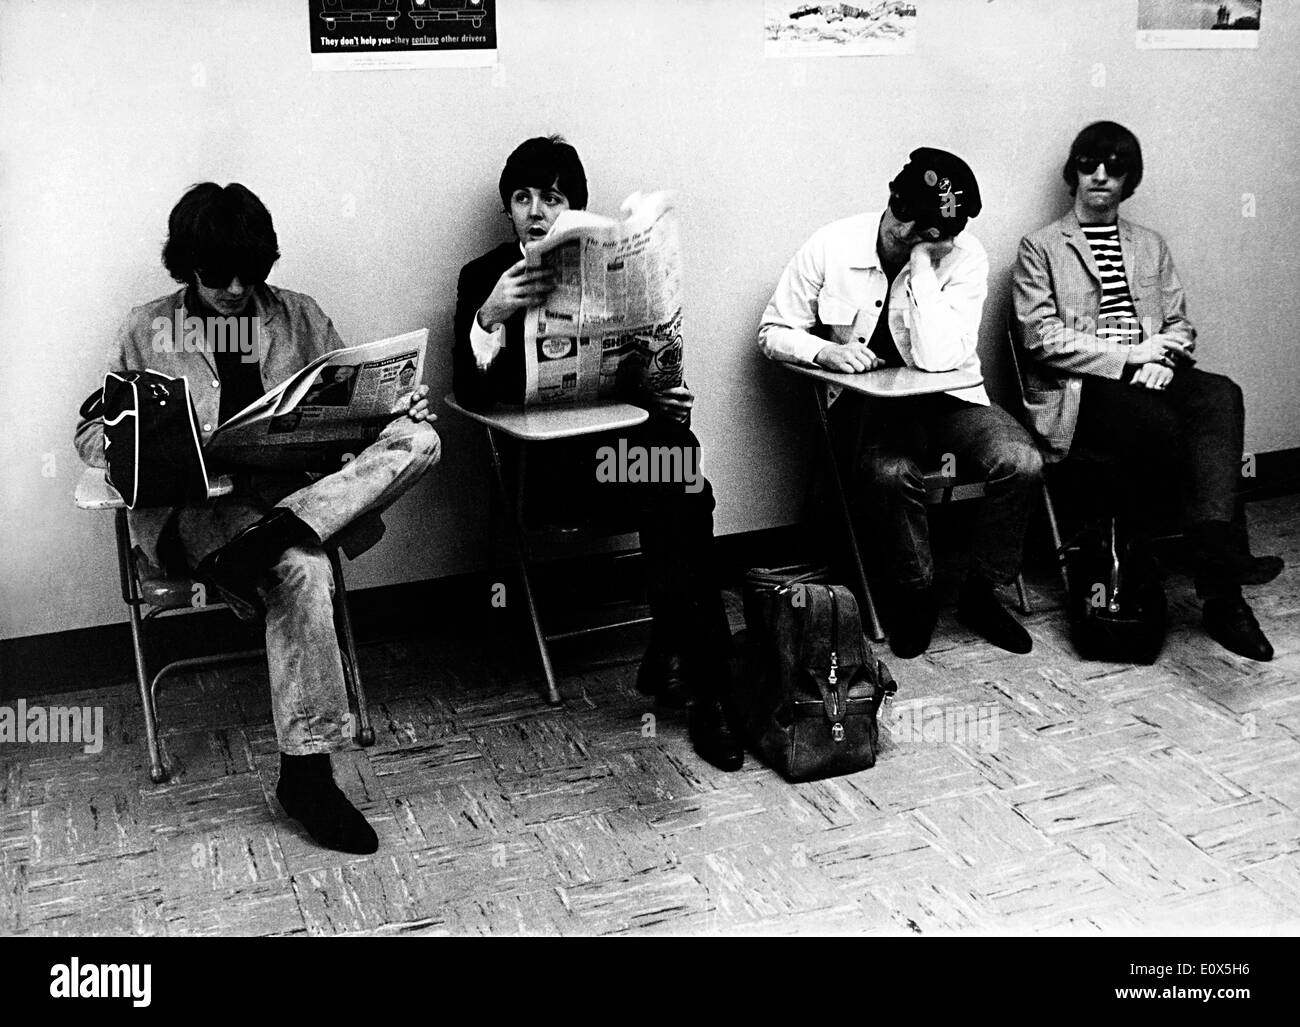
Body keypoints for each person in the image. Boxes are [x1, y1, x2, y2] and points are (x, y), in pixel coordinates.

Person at [75, 182, 441, 852]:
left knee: (422, 441)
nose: (237, 288)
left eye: (252, 273)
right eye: (218, 275)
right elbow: (93, 436)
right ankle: (309, 775)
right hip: (202, 513)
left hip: (290, 497)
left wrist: (396, 410)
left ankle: (286, 531)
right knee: (303, 570)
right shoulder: (143, 327)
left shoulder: (300, 317)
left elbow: (359, 410)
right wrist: (149, 442)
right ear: (186, 265)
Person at [451, 135, 743, 772]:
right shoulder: (483, 277)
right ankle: (698, 669)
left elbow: (624, 369)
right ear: (507, 208)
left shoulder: (607, 268)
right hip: (546, 473)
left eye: (551, 199)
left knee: (681, 468)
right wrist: (489, 316)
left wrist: (659, 394)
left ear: (575, 210)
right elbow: (467, 393)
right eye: (522, 197)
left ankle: (705, 684)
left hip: (614, 462)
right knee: (687, 497)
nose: (535, 212)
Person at [759, 148, 1043, 659]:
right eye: (900, 216)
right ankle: (916, 595)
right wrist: (825, 349)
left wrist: (920, 269)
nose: (902, 232)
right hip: (869, 412)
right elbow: (773, 331)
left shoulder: (964, 258)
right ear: (892, 198)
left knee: (1020, 461)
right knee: (889, 474)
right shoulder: (832, 243)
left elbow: (937, 359)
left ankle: (983, 593)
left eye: (923, 232)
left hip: (950, 401)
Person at [1012, 121, 1281, 661]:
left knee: (1221, 393)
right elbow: (1040, 338)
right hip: (1086, 388)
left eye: (1115, 168)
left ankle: (1215, 575)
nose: (1101, 177)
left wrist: (1166, 354)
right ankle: (1224, 577)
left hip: (1154, 373)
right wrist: (1129, 357)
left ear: (1129, 180)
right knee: (1162, 426)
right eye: (1090, 165)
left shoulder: (1149, 245)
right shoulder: (1040, 247)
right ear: (1074, 173)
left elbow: (1181, 324)